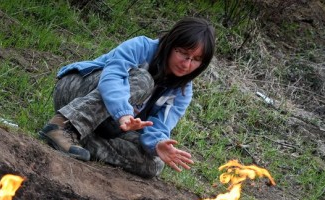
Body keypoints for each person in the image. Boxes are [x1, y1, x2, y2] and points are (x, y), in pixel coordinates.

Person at [39, 17, 215, 178]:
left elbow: (161, 126)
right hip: (76, 91)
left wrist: (157, 143)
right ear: (170, 43)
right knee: (145, 81)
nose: (187, 64)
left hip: (108, 124)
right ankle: (62, 125)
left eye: (196, 59)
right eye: (182, 53)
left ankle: (81, 141)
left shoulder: (183, 92)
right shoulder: (141, 46)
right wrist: (123, 114)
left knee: (154, 163)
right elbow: (111, 79)